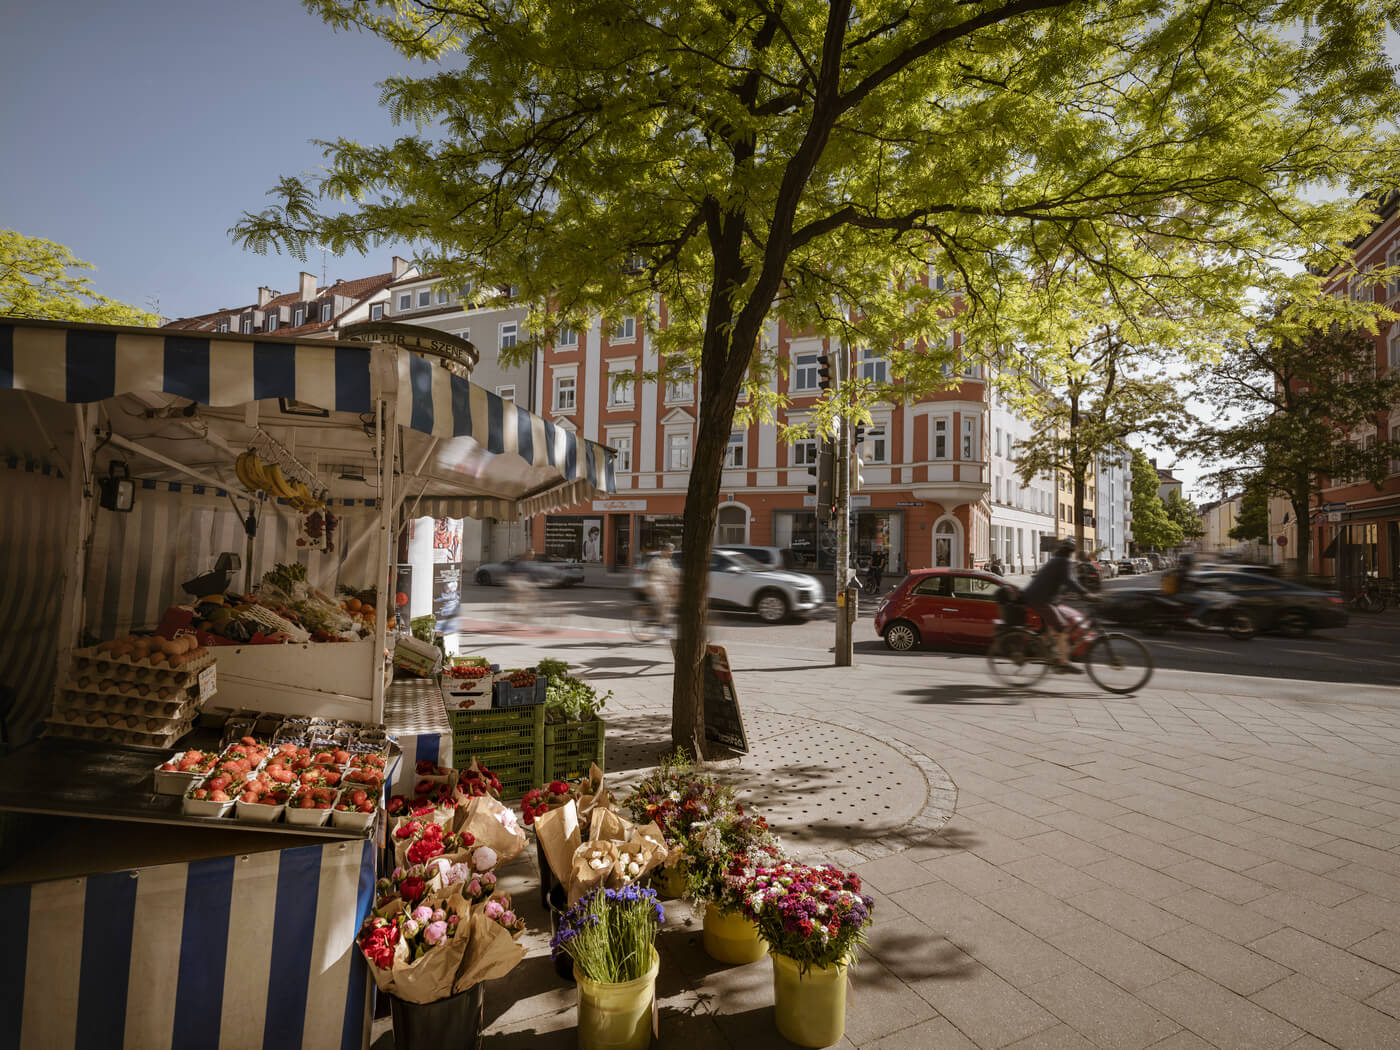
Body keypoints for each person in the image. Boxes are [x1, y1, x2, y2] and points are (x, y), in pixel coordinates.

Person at [1018, 537, 1091, 673]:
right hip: (1040, 600)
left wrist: (1062, 593)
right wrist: (1086, 594)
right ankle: (1063, 663)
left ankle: (1050, 652)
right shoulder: (1063, 562)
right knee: (1062, 628)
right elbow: (1070, 581)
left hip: (1038, 598)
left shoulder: (1056, 561)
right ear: (1071, 551)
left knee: (1055, 626)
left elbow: (1058, 581)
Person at [645, 543, 680, 636]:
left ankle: (665, 622)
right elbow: (650, 575)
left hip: (664, 585)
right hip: (654, 584)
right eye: (669, 550)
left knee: (671, 601)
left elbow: (674, 573)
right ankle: (662, 627)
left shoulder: (668, 562)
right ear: (664, 551)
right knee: (665, 601)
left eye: (672, 551)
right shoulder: (656, 560)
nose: (671, 553)